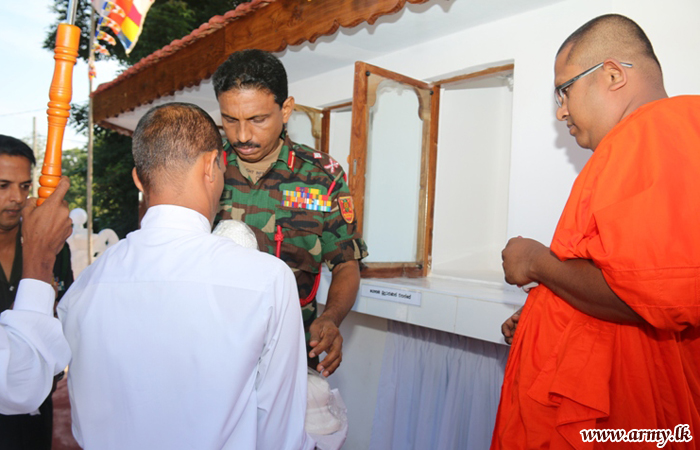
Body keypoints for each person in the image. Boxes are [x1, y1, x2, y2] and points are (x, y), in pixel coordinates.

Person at [493, 14, 700, 449]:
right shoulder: (638, 143)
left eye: (563, 89)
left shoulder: (653, 131)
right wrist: (545, 306)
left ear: (611, 74)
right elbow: (627, 273)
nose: (561, 109)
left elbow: (644, 297)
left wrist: (536, 262)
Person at [58, 103, 313, 449]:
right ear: (211, 166)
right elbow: (280, 426)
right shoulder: (266, 280)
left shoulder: (85, 286)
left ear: (137, 178)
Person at [213, 49, 368, 377]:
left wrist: (330, 318)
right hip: (215, 351)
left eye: (257, 119)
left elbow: (345, 264)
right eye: (230, 120)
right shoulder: (204, 170)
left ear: (285, 109)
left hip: (290, 354)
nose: (242, 136)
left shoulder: (322, 176)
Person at [0, 135, 74, 449]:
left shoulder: (54, 245)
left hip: (38, 408)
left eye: (25, 186)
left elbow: (65, 313)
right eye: (2, 185)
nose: (16, 198)